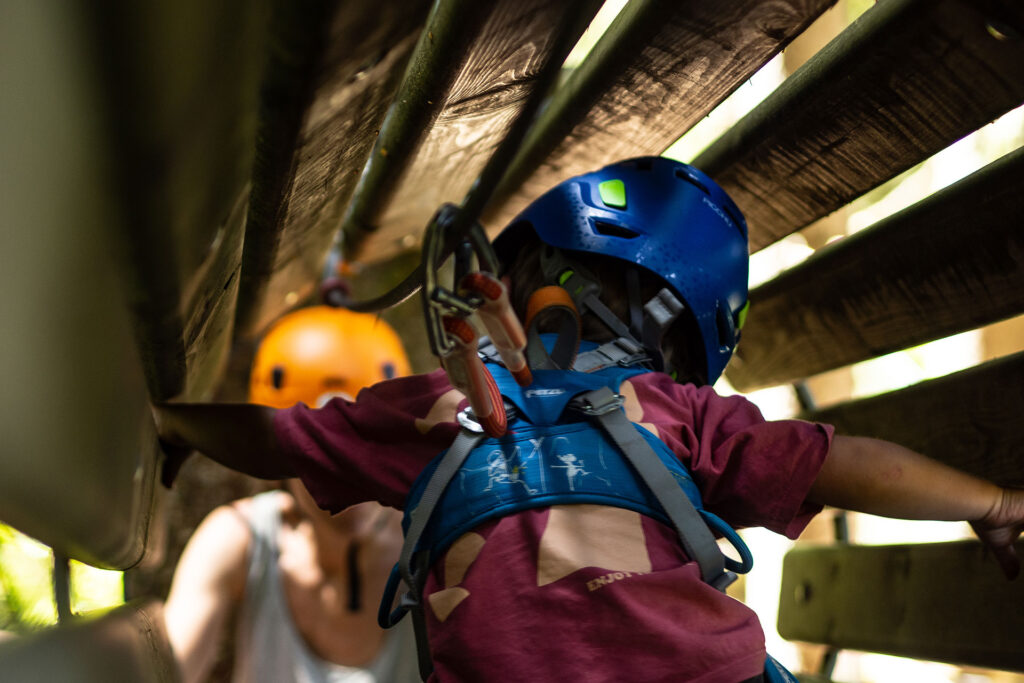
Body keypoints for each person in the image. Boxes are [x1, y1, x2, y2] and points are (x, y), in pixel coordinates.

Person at [154, 157, 1024, 683]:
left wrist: (175, 424)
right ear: (687, 340)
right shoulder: (684, 417)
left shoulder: (438, 411)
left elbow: (282, 435)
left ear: (521, 281)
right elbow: (844, 460)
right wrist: (992, 505)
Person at [163, 306, 421, 683]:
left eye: (368, 451)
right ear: (277, 457)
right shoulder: (239, 539)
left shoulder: (436, 548)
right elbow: (171, 666)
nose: (350, 481)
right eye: (324, 455)